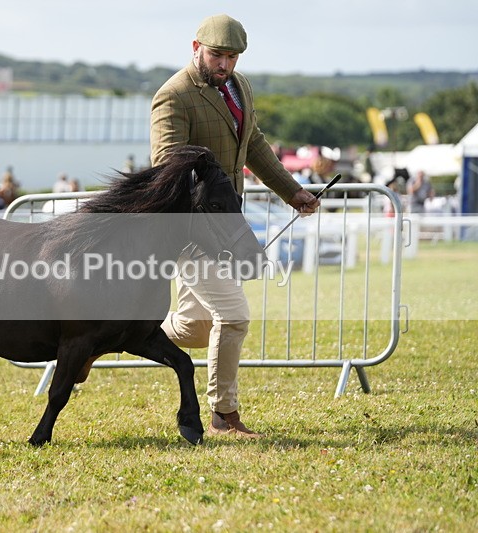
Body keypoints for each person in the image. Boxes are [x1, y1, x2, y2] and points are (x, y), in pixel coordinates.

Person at [150, 14, 321, 438]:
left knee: (195, 327)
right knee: (233, 314)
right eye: (217, 55)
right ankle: (223, 415)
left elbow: (255, 145)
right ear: (196, 48)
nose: (224, 64)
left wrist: (292, 191)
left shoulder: (238, 87)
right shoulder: (173, 96)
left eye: (232, 56)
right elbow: (167, 167)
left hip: (227, 225)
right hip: (190, 228)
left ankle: (125, 330)